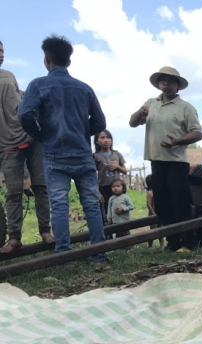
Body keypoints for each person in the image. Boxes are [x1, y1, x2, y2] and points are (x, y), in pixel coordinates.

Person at [18, 35, 108, 263]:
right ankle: (99, 253)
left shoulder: (38, 85)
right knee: (90, 203)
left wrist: (42, 134)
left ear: (47, 60)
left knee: (59, 204)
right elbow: (99, 123)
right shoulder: (84, 88)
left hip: (54, 154)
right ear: (69, 61)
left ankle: (64, 254)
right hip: (82, 154)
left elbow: (24, 115)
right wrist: (79, 131)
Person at [129, 66, 202, 252]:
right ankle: (173, 241)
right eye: (163, 81)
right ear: (159, 84)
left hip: (177, 162)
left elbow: (197, 134)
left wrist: (178, 141)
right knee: (161, 202)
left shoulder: (185, 107)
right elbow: (132, 123)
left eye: (171, 81)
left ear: (177, 85)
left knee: (180, 202)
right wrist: (140, 113)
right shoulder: (150, 104)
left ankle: (188, 241)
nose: (166, 84)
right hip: (156, 160)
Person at [0, 39, 53, 253]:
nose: (1, 54)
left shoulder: (8, 75)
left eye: (2, 50)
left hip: (30, 137)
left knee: (40, 186)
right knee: (13, 192)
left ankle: (45, 231)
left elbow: (20, 103)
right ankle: (14, 238)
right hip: (6, 144)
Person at [94, 129, 127, 223]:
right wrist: (97, 192)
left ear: (111, 140)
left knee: (119, 209)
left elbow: (125, 171)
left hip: (117, 187)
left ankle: (121, 233)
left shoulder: (117, 154)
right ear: (97, 141)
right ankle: (108, 234)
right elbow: (92, 175)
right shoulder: (96, 156)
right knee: (105, 212)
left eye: (108, 137)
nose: (106, 140)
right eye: (102, 137)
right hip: (103, 188)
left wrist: (117, 166)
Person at [144, 174, 165, 249]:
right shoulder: (150, 193)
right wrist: (153, 213)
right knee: (153, 231)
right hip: (153, 214)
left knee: (161, 230)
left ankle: (162, 245)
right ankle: (150, 245)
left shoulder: (158, 192)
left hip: (159, 214)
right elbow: (149, 205)